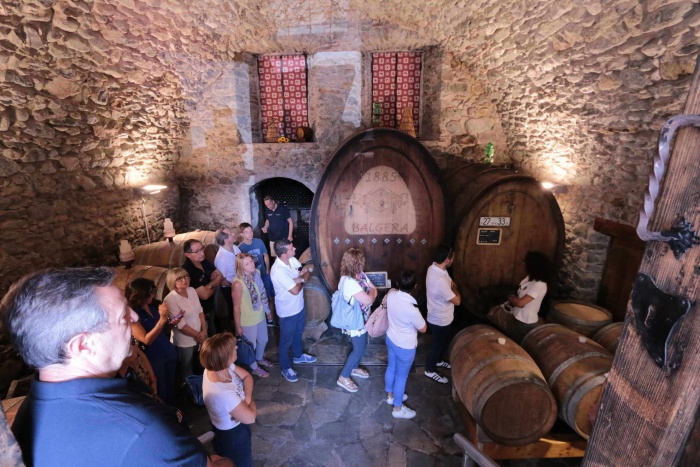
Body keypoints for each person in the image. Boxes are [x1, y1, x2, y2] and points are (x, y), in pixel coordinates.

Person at [1, 267, 231, 466]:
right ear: (83, 345)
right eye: (122, 316)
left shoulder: (33, 408)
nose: (133, 317)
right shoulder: (141, 430)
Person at [201, 333, 257, 467]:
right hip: (232, 435)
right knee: (241, 462)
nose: (236, 348)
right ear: (223, 358)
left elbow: (247, 377)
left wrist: (246, 399)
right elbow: (250, 417)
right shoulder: (223, 394)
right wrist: (246, 401)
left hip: (233, 424)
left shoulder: (220, 366)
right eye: (233, 348)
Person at [126, 277, 178, 405]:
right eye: (149, 293)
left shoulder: (153, 305)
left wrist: (171, 322)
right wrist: (162, 319)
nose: (152, 295)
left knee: (172, 386)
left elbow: (163, 329)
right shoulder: (133, 315)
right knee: (161, 390)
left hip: (167, 350)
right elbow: (146, 339)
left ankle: (175, 412)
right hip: (155, 357)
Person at [270, 239, 316, 382]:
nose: (294, 249)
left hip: (299, 307)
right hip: (287, 311)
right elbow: (296, 289)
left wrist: (301, 277)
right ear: (284, 253)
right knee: (285, 341)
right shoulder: (278, 271)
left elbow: (303, 270)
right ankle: (285, 368)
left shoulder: (292, 260)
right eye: (291, 248)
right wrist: (302, 278)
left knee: (298, 333)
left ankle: (298, 356)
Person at [385, 270, 427, 419]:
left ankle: (390, 395)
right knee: (401, 377)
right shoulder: (412, 309)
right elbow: (423, 328)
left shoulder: (391, 296)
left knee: (391, 367)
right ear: (415, 286)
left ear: (397, 283)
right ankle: (397, 409)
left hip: (390, 338)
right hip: (405, 347)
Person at [336, 248, 378, 393]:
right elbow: (369, 298)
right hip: (355, 322)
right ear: (357, 263)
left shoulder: (359, 275)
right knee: (359, 349)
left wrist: (372, 295)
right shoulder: (349, 282)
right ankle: (344, 376)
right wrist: (372, 295)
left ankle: (353, 368)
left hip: (362, 318)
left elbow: (373, 291)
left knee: (360, 347)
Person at [486, 251, 551, 342]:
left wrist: (511, 298)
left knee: (517, 343)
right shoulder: (529, 278)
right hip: (518, 316)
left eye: (526, 263)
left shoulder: (539, 285)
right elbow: (519, 294)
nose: (524, 265)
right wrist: (514, 299)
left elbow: (520, 303)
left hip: (526, 321)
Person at [232, 253, 273, 378]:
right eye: (247, 263)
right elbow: (236, 307)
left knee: (264, 339)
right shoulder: (238, 283)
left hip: (259, 314)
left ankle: (259, 358)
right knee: (251, 346)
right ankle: (254, 367)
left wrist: (268, 311)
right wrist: (238, 326)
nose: (251, 264)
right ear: (241, 267)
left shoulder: (256, 273)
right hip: (248, 319)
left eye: (251, 261)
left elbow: (262, 293)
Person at [425, 244, 461, 384]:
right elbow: (457, 301)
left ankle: (439, 361)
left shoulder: (434, 267)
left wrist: (451, 286)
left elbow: (451, 282)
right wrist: (455, 290)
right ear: (447, 260)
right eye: (452, 258)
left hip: (440, 315)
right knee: (436, 346)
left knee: (440, 343)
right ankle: (430, 370)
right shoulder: (440, 280)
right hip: (440, 319)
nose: (453, 259)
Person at [164, 268, 207, 381]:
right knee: (187, 369)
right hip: (184, 341)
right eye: (180, 278)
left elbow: (200, 311)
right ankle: (190, 393)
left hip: (200, 336)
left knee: (202, 364)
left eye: (186, 276)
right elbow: (181, 325)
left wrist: (204, 330)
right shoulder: (170, 299)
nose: (184, 280)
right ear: (172, 281)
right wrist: (199, 335)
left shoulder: (192, 290)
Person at [183, 239, 224, 335]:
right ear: (187, 254)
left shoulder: (203, 261)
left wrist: (210, 285)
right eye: (197, 251)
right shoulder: (188, 271)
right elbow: (204, 295)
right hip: (202, 312)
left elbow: (220, 275)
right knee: (211, 335)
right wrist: (214, 282)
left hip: (213, 305)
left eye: (202, 249)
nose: (202, 253)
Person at [238, 222, 276, 324]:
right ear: (242, 234)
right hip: (252, 277)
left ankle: (270, 318)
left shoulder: (259, 242)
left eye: (251, 231)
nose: (250, 234)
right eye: (247, 232)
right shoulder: (240, 248)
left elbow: (265, 255)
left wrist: (267, 270)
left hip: (263, 273)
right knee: (257, 297)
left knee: (269, 296)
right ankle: (261, 318)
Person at [214, 227, 241, 333]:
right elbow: (221, 280)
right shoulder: (221, 258)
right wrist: (235, 287)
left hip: (239, 284)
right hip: (230, 288)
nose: (233, 234)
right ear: (225, 240)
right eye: (230, 234)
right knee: (236, 312)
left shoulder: (234, 247)